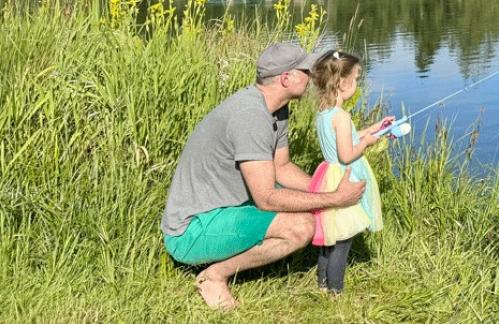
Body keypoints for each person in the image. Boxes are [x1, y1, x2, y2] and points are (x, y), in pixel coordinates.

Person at [160, 42, 366, 310]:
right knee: (301, 226)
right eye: (306, 71)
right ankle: (214, 276)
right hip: (191, 230)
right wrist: (334, 199)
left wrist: (328, 188)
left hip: (225, 209)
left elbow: (282, 167)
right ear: (286, 78)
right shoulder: (251, 116)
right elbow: (266, 198)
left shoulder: (276, 109)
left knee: (307, 206)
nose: (313, 76)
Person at [307, 49, 396, 294]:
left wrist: (375, 129)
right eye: (356, 79)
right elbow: (347, 155)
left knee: (330, 238)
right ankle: (336, 292)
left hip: (328, 175)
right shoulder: (342, 116)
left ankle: (322, 285)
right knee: (342, 241)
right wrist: (366, 143)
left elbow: (346, 140)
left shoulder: (325, 113)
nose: (357, 84)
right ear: (342, 83)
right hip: (343, 179)